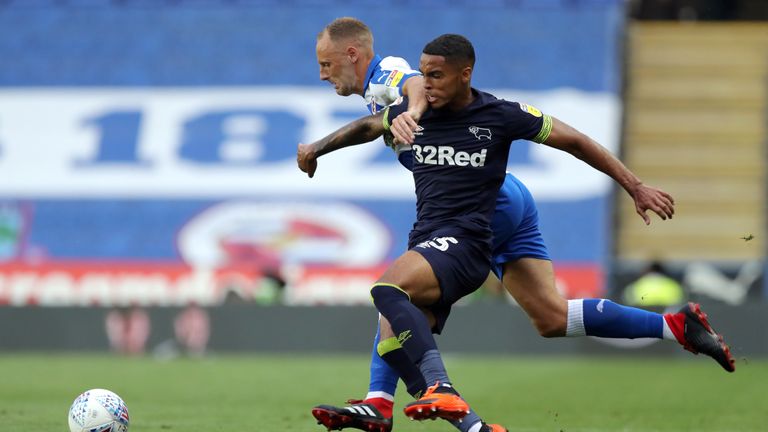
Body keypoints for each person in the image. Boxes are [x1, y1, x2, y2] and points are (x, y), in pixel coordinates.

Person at [301, 31, 735, 432]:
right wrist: (318, 147)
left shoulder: (395, 78)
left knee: (400, 298)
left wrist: (635, 186)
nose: (323, 74)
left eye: (326, 64)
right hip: (505, 199)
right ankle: (676, 327)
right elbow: (370, 125)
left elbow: (414, 84)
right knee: (549, 317)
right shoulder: (392, 106)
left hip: (485, 207)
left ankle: (399, 401)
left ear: (351, 54)